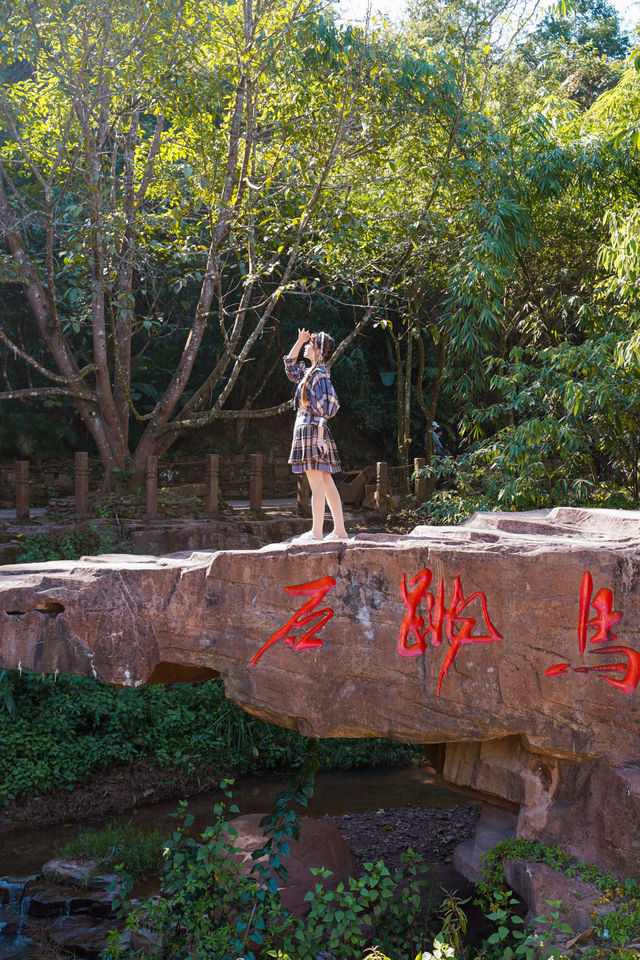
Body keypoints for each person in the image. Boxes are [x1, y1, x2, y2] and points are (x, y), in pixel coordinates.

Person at [284, 328, 348, 542]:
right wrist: (299, 339)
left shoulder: (318, 374)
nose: (306, 346)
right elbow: (290, 368)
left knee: (317, 484)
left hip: (312, 429)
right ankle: (339, 530)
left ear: (319, 350)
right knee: (326, 481)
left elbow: (329, 406)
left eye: (310, 344)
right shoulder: (310, 372)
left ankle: (317, 532)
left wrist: (320, 437)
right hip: (308, 428)